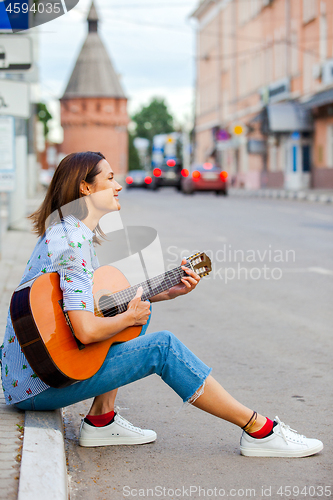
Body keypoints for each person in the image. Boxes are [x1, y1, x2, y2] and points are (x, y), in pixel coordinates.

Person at [0, 152, 323, 457]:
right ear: (86, 187)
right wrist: (129, 317)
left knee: (139, 312)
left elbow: (86, 305)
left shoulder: (66, 231)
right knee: (162, 347)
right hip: (40, 387)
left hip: (29, 376)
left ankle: (101, 421)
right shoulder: (73, 244)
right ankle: (261, 431)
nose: (118, 186)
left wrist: (162, 292)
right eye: (110, 179)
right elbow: (84, 330)